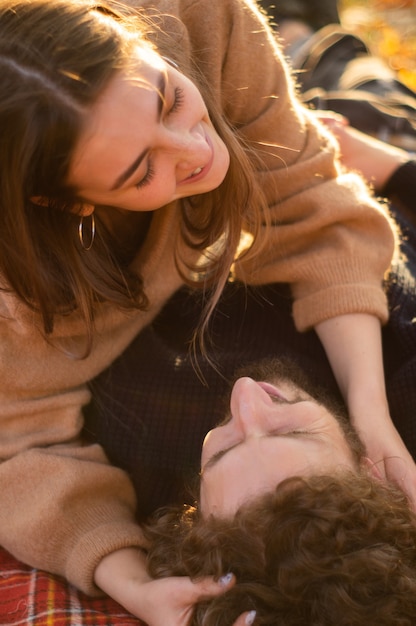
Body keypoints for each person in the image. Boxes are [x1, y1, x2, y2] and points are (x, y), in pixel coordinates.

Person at [0, 0, 414, 623]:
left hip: (271, 244)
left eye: (170, 100)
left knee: (338, 101)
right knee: (363, 101)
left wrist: (372, 417)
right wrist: (127, 577)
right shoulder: (20, 289)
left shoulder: (203, 19)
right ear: (68, 204)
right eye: (142, 172)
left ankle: (305, 33)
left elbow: (307, 198)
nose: (196, 145)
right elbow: (18, 436)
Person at [141, 356, 416, 626]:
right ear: (373, 474)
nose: (244, 391)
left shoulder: (145, 436)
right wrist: (371, 411)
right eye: (295, 433)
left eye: (221, 454)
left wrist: (132, 586)